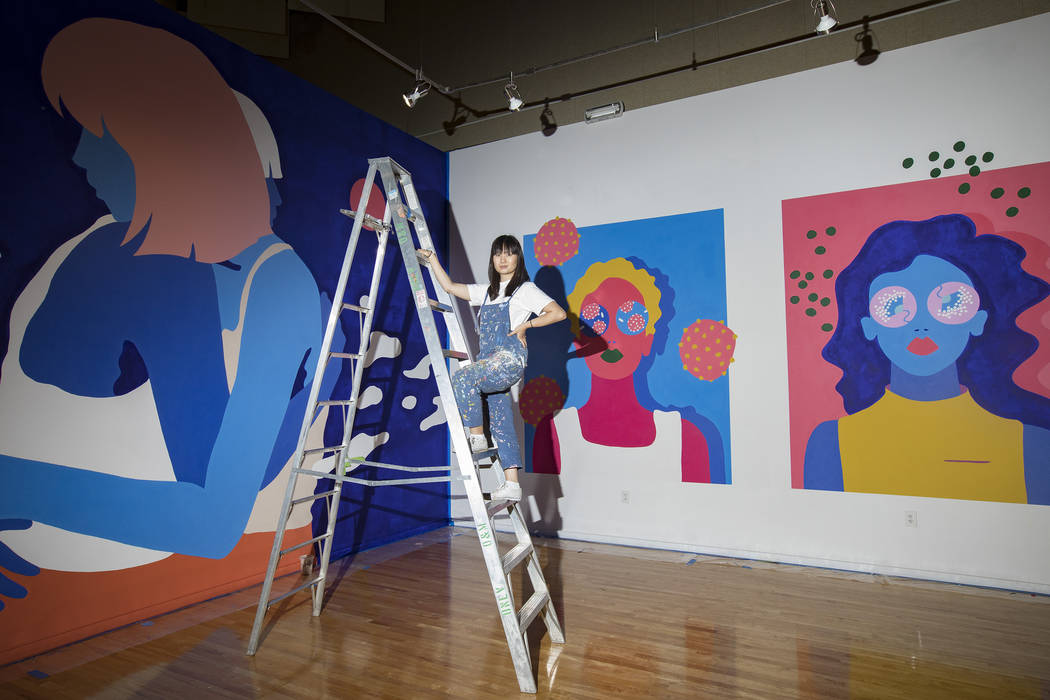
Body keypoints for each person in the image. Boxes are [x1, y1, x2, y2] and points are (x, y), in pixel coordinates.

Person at [804, 214, 1050, 504]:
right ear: (870, 326)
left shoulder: (1030, 445)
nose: (921, 324)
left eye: (949, 303)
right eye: (894, 305)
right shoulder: (832, 443)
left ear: (978, 320)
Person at [532, 257, 712, 482]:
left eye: (631, 320)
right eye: (595, 321)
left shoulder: (685, 436)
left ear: (648, 338)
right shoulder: (554, 432)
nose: (611, 337)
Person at [419, 235, 566, 501]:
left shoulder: (525, 290)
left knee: (464, 377)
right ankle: (512, 484)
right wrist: (432, 261)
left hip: (509, 359)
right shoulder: (486, 293)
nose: (503, 259)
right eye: (498, 253)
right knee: (501, 419)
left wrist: (526, 325)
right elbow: (451, 287)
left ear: (518, 258)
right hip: (489, 361)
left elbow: (558, 313)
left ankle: (476, 438)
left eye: (509, 253)